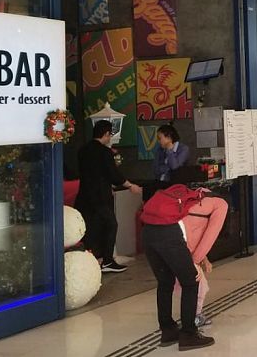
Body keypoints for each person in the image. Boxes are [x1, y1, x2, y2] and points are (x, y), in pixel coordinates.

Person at [141, 189, 215, 350]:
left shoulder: (175, 196)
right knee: (190, 281)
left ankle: (168, 331)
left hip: (148, 232)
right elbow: (186, 239)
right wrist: (194, 263)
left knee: (165, 282)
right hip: (169, 234)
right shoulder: (194, 208)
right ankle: (189, 334)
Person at [76, 120, 142, 273]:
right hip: (100, 197)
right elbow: (114, 174)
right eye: (110, 134)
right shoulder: (105, 152)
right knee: (111, 225)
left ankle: (89, 259)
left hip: (84, 196)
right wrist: (130, 185)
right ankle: (107, 260)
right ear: (106, 134)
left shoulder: (82, 150)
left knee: (90, 228)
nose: (110, 138)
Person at [176, 195, 228, 328]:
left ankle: (191, 316)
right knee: (199, 287)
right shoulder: (213, 210)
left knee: (195, 287)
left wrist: (204, 259)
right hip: (182, 256)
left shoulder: (192, 212)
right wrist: (194, 262)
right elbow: (191, 241)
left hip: (175, 254)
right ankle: (193, 317)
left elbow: (197, 240)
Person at [155, 124, 190, 188]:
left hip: (177, 186)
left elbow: (174, 167)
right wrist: (168, 169)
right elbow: (156, 169)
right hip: (160, 184)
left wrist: (170, 151)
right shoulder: (160, 150)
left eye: (160, 138)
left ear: (168, 137)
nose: (159, 141)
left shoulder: (183, 149)